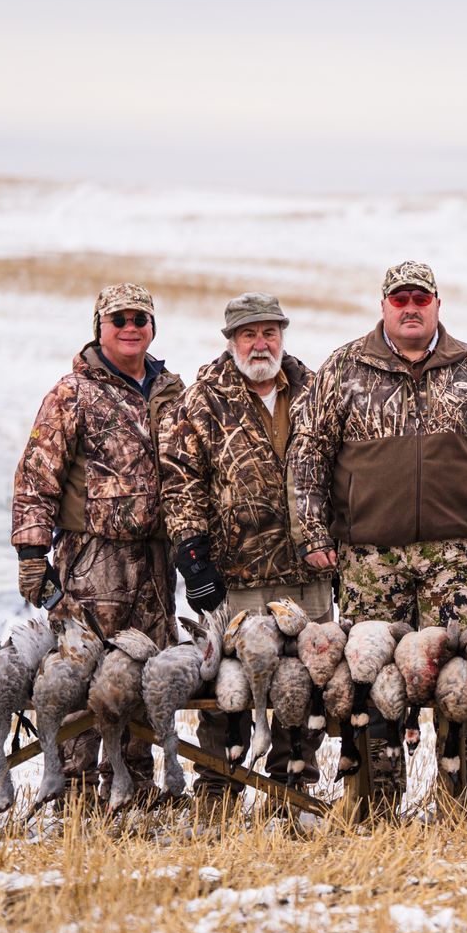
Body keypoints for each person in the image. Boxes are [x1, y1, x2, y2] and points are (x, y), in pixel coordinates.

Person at [286, 261, 467, 816]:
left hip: (455, 557)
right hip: (370, 558)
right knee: (372, 682)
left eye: (421, 298)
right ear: (384, 305)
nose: (410, 308)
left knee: (463, 677)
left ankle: (464, 797)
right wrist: (315, 533)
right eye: (400, 299)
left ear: (438, 304)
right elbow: (307, 458)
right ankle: (371, 798)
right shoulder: (344, 368)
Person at [11, 282, 183, 801]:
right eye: (119, 320)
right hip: (91, 559)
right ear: (100, 328)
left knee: (145, 671)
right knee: (83, 671)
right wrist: (31, 554)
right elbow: (35, 476)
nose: (131, 328)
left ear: (152, 328)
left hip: (156, 558)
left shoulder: (172, 391)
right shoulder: (72, 392)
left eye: (140, 319)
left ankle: (138, 789)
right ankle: (78, 791)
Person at [161, 293, 328, 804]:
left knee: (304, 679)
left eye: (270, 332)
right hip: (235, 576)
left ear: (282, 336)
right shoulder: (202, 398)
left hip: (305, 575)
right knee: (226, 688)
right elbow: (179, 481)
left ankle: (293, 785)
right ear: (231, 341)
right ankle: (217, 789)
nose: (261, 344)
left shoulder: (313, 389)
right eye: (248, 334)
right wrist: (193, 557)